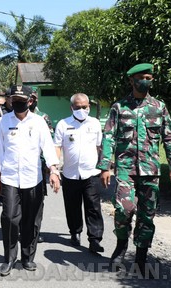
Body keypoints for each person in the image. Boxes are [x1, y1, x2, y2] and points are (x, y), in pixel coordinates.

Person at [96, 63, 171, 278]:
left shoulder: (158, 107)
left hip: (151, 170)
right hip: (126, 169)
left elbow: (170, 136)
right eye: (142, 77)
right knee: (123, 210)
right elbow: (108, 137)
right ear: (131, 80)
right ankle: (120, 247)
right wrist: (105, 166)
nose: (146, 80)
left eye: (149, 77)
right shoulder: (119, 107)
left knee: (147, 215)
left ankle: (141, 257)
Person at [0, 85, 61, 277]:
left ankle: (27, 257)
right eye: (14, 99)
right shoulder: (3, 121)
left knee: (31, 220)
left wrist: (54, 171)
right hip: (10, 178)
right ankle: (9, 259)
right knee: (9, 218)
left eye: (22, 100)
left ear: (30, 101)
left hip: (33, 178)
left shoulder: (39, 122)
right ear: (10, 101)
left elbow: (48, 148)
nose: (18, 103)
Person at [54, 93, 105, 253]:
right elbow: (57, 147)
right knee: (72, 206)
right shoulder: (63, 124)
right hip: (70, 174)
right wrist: (54, 169)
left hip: (91, 173)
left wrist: (105, 168)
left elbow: (100, 146)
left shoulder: (95, 123)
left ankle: (95, 239)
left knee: (93, 207)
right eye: (78, 107)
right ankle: (75, 232)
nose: (82, 110)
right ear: (72, 108)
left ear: (89, 106)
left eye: (85, 107)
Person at [29, 91, 54, 244]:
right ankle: (22, 229)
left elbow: (48, 142)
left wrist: (48, 165)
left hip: (39, 166)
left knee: (37, 201)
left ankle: (34, 232)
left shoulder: (43, 117)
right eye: (29, 99)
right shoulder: (13, 117)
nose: (31, 101)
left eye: (34, 99)